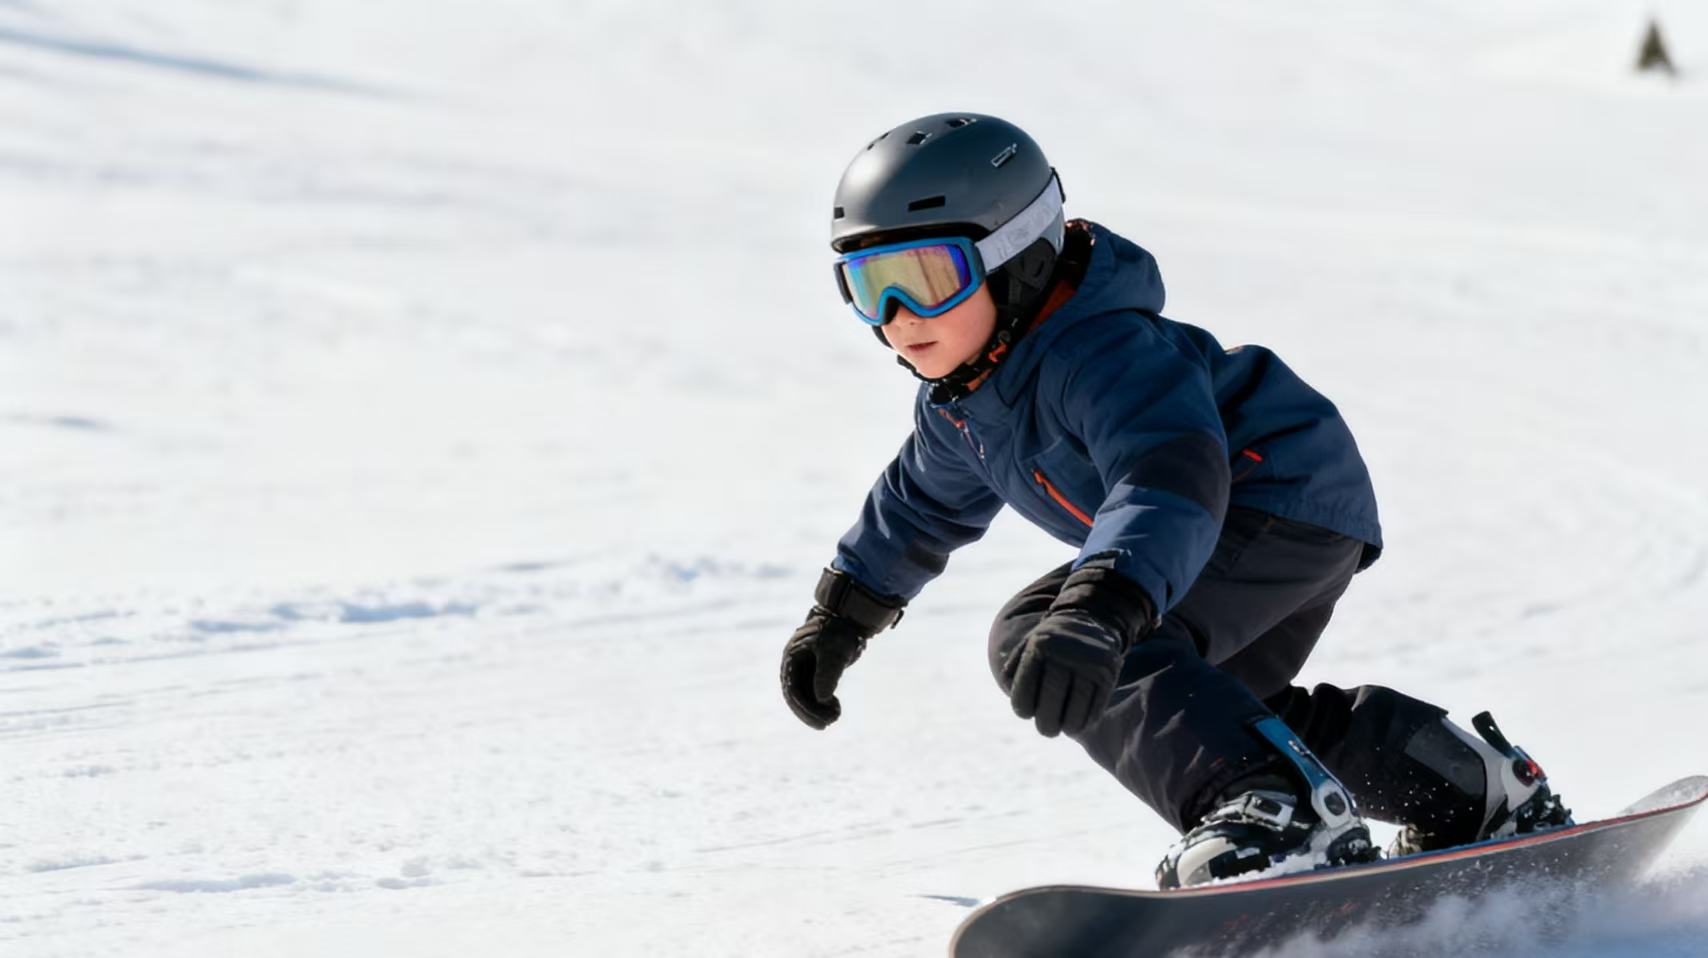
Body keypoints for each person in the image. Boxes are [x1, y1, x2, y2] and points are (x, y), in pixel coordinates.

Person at [779, 112, 1571, 888]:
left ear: (1014, 256)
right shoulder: (963, 401)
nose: (894, 319)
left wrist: (1104, 602)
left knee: (1051, 633)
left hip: (1268, 499)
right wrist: (841, 616)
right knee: (1225, 710)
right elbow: (916, 509)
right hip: (1268, 516)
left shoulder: (1102, 351)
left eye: (924, 279)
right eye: (866, 285)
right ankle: (1467, 786)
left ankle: (1269, 815)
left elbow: (1170, 474)